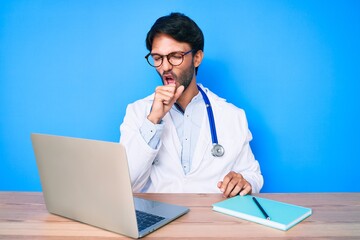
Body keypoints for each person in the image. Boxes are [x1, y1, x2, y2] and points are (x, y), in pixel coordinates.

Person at [120, 12, 263, 198]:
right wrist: (153, 120)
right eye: (157, 58)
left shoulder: (232, 115)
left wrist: (245, 181)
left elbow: (253, 175)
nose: (165, 67)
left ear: (197, 58)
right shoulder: (138, 112)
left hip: (212, 220)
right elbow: (126, 183)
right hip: (157, 220)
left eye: (175, 56)